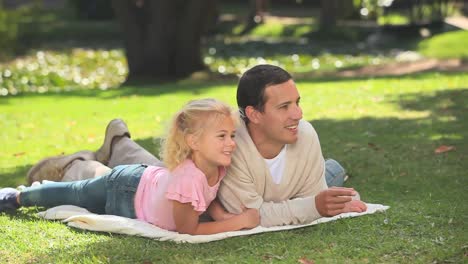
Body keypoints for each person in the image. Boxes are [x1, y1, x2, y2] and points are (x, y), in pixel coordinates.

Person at [11, 64, 366, 227]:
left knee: (157, 170)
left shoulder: (301, 137)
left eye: (298, 102)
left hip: (155, 181)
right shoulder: (228, 146)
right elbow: (247, 215)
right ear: (253, 114)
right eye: (285, 106)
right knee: (87, 186)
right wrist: (313, 205)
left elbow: (306, 197)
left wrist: (324, 199)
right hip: (137, 184)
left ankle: (117, 142)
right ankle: (74, 163)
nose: (298, 114)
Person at [0, 99, 260, 235]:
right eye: (221, 136)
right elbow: (188, 230)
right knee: (76, 193)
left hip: (144, 181)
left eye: (232, 135)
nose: (231, 144)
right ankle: (19, 196)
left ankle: (104, 151)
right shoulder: (188, 177)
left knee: (80, 192)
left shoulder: (216, 164)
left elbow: (206, 194)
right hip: (127, 190)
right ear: (194, 141)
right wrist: (237, 222)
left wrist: (220, 215)